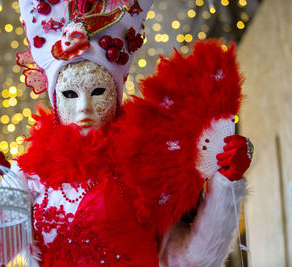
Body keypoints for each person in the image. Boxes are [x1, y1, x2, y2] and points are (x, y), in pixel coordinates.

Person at [13, 0, 253, 266]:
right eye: (70, 94)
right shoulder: (29, 178)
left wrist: (224, 183)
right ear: (56, 102)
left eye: (98, 91)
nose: (84, 108)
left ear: (116, 97)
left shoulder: (148, 168)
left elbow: (189, 259)